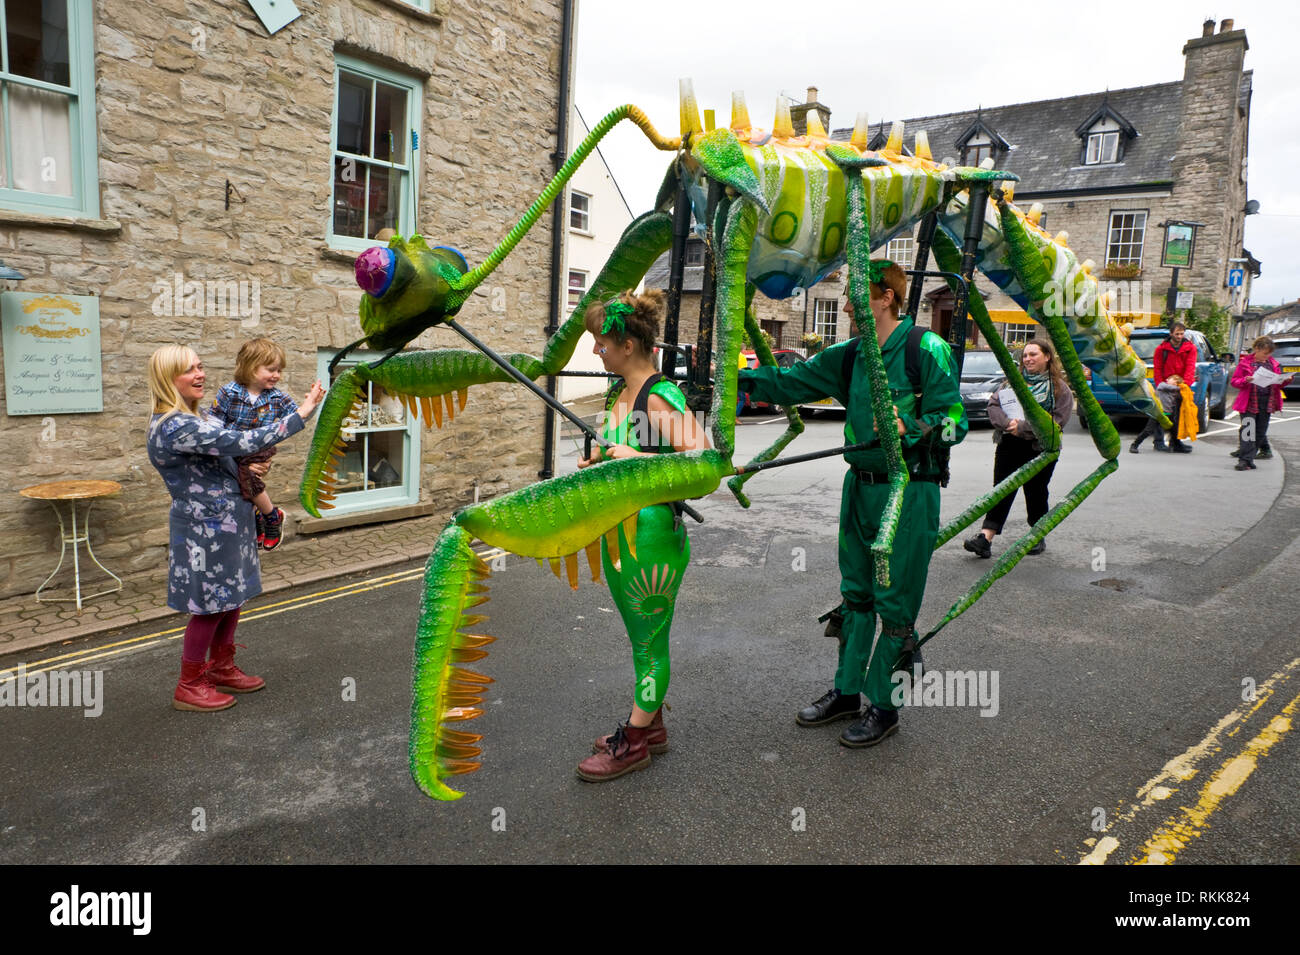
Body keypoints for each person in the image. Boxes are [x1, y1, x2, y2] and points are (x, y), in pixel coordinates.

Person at [738, 260, 968, 748]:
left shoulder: (926, 348)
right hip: (858, 488)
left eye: (854, 296)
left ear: (886, 297)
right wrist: (735, 381)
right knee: (856, 593)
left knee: (895, 603)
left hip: (907, 490)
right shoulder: (851, 355)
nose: (844, 306)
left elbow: (956, 423)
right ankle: (846, 692)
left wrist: (913, 426)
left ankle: (884, 706)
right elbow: (791, 383)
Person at [573, 291, 710, 781]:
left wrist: (633, 460)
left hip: (652, 537)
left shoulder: (658, 394)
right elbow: (623, 452)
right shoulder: (619, 395)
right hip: (622, 534)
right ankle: (649, 727)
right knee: (641, 641)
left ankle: (632, 743)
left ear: (628, 345)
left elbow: (705, 466)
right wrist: (600, 461)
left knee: (650, 643)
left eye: (602, 343)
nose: (596, 352)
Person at [147, 344, 325, 711]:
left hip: (229, 521)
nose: (201, 374)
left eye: (200, 366)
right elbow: (242, 440)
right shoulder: (175, 425)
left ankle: (221, 667)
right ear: (168, 378)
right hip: (205, 528)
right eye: (190, 370)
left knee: (232, 598)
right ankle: (190, 684)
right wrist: (303, 412)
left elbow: (232, 453)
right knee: (210, 605)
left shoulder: (201, 418)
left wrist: (249, 468)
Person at [964, 338, 1074, 558]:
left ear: (1047, 356)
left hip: (1041, 448)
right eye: (1025, 355)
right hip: (1009, 444)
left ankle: (1037, 534)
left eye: (1033, 354)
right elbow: (994, 404)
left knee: (1036, 492)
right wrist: (1008, 425)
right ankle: (985, 539)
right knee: (1000, 490)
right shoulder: (1011, 382)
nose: (1028, 359)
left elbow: (1057, 423)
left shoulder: (1060, 389)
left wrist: (1022, 427)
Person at [210, 338, 299, 550]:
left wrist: (312, 403)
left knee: (248, 476)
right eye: (271, 369)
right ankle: (256, 515)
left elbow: (297, 419)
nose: (277, 375)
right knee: (239, 480)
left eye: (279, 370)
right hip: (232, 447)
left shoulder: (277, 397)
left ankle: (272, 516)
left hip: (260, 447)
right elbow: (215, 419)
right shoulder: (228, 392)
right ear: (250, 367)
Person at [1131, 322, 1196, 454]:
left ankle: (1175, 443)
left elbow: (1190, 367)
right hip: (1166, 385)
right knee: (1157, 419)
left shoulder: (1190, 348)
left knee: (1175, 418)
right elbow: (1158, 368)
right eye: (1177, 334)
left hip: (1180, 386)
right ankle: (1157, 442)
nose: (1179, 336)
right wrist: (1162, 385)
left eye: (1182, 334)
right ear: (1171, 334)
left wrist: (1184, 385)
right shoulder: (1162, 349)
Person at [1230, 336, 1286, 471]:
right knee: (1248, 432)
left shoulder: (1273, 364)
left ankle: (1249, 459)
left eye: (1269, 354)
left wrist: (1285, 380)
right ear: (1257, 349)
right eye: (1265, 353)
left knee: (1260, 433)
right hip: (1249, 402)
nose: (1267, 356)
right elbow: (1234, 381)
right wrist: (1245, 380)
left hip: (1267, 402)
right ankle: (1244, 460)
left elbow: (1278, 384)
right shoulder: (1245, 363)